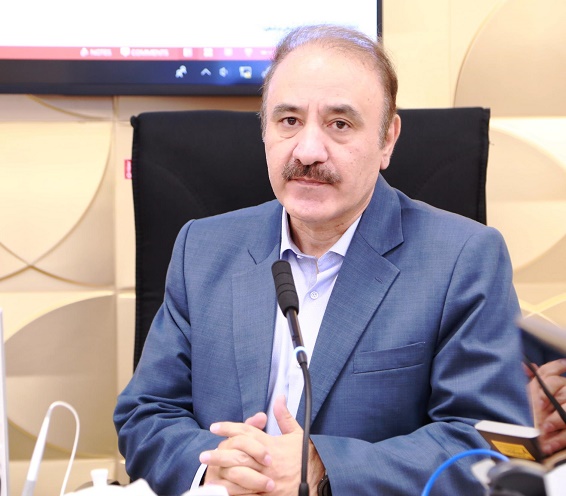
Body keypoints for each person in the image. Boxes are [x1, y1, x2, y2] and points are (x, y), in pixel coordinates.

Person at [114, 24, 532, 495]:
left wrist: (323, 467)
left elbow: (490, 445)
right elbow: (145, 413)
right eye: (289, 121)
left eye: (340, 124)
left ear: (387, 139)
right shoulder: (203, 248)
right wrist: (216, 468)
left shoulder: (463, 259)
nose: (308, 151)